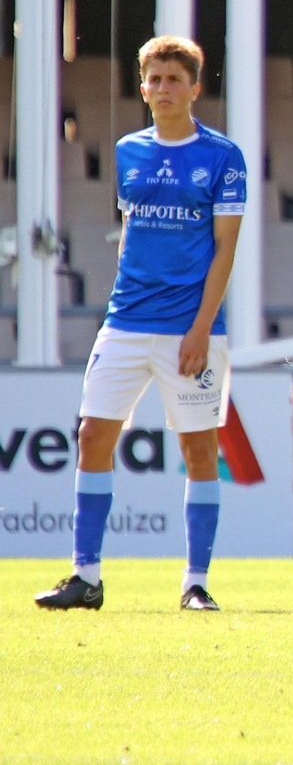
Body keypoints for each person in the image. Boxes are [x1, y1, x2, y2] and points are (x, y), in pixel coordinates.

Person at [34, 37, 248, 613]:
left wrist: (202, 328)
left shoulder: (223, 156)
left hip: (190, 329)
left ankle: (195, 583)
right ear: (143, 87)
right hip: (126, 321)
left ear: (195, 87)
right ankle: (86, 577)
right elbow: (133, 232)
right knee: (92, 436)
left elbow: (226, 249)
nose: (163, 88)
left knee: (200, 451)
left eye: (174, 78)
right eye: (154, 79)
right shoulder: (128, 150)